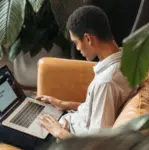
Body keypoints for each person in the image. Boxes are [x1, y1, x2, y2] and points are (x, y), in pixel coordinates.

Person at [36, 5, 132, 139]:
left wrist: (57, 131)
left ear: (88, 39)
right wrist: (63, 104)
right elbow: (98, 109)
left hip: (67, 138)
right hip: (71, 121)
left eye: (76, 42)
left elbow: (96, 145)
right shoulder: (127, 60)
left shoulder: (105, 83)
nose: (77, 48)